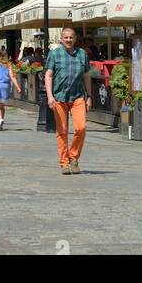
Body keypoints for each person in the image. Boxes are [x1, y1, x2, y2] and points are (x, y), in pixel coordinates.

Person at [45, 25, 92, 175]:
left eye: (71, 37)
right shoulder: (55, 54)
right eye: (66, 37)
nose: (69, 40)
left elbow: (86, 76)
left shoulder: (82, 54)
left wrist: (89, 96)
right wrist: (50, 96)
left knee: (81, 128)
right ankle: (64, 163)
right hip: (59, 97)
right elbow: (49, 75)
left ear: (75, 39)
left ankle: (74, 158)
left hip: (78, 96)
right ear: (61, 39)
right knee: (62, 131)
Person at [0, 49, 21, 130]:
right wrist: (17, 87)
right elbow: (12, 76)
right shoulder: (9, 64)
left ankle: (0, 119)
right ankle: (0, 122)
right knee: (2, 105)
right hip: (6, 86)